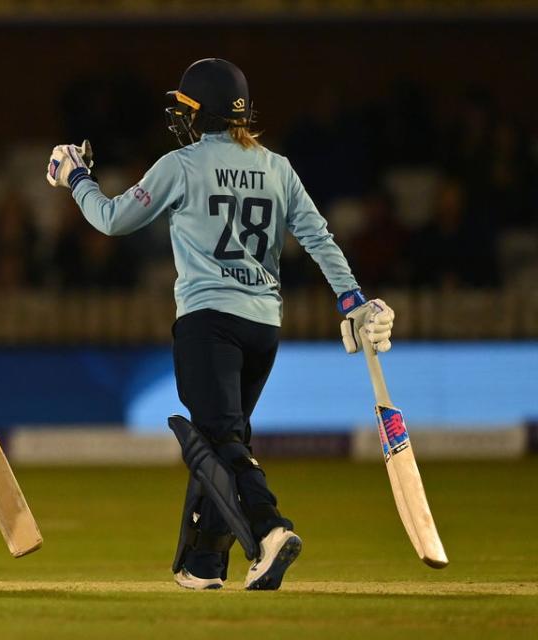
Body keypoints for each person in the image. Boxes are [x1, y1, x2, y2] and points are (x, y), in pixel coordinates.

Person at [46, 58, 395, 591]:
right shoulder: (277, 167)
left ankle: (270, 527)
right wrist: (352, 300)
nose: (179, 117)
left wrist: (76, 178)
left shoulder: (182, 163)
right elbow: (319, 237)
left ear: (201, 112)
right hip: (263, 325)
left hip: (208, 319)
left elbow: (112, 219)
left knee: (221, 438)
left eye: (186, 107)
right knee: (221, 440)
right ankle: (204, 564)